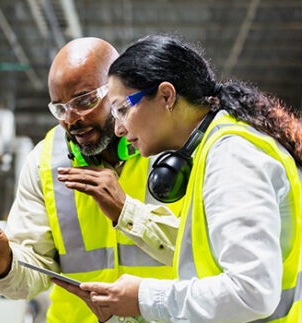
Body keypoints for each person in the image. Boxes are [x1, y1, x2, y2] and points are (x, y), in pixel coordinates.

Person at [53, 35, 302, 322]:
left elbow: (251, 293)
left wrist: (143, 297)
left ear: (167, 96)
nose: (119, 129)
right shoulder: (211, 152)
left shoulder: (232, 157)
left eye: (122, 109)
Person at [0, 37, 182, 323]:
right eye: (60, 108)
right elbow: (31, 271)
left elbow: (203, 251)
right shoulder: (44, 163)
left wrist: (127, 212)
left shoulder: (170, 147)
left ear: (117, 91)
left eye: (84, 101)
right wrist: (5, 266)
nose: (71, 120)